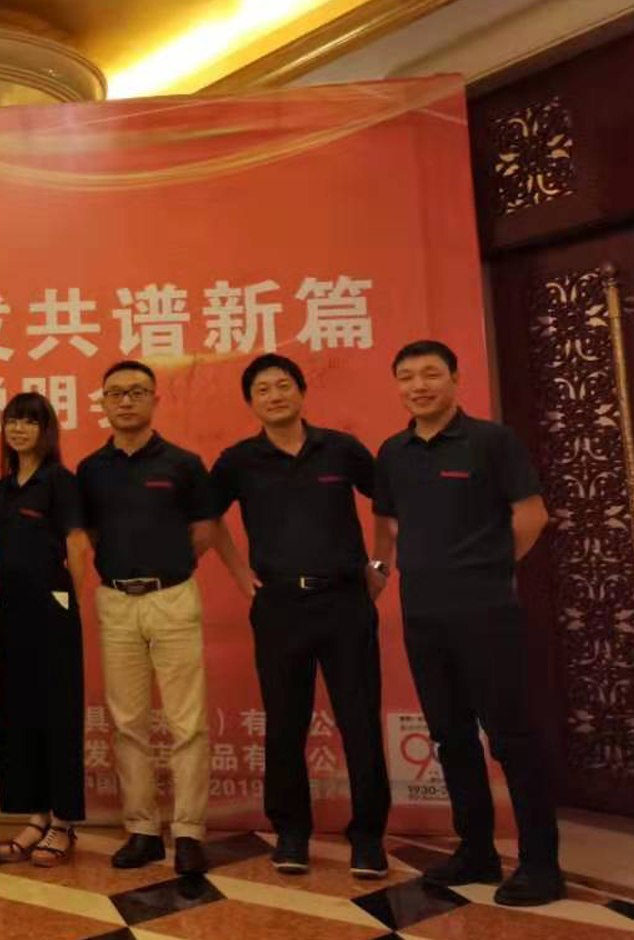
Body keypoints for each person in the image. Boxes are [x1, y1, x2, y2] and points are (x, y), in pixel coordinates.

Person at [373, 339, 561, 906]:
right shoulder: (393, 451)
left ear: (455, 378)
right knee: (450, 735)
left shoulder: (491, 440)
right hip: (422, 613)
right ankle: (476, 850)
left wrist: (489, 569)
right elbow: (389, 526)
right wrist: (383, 574)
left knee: (511, 736)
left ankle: (541, 864)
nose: (419, 385)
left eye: (431, 373)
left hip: (485, 611)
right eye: (407, 376)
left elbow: (532, 516)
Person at [210, 354, 391, 879]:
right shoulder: (238, 460)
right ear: (251, 403)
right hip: (280, 606)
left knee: (360, 720)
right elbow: (207, 517)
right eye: (263, 390)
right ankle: (291, 832)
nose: (275, 396)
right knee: (285, 723)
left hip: (345, 602)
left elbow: (388, 502)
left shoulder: (340, 448)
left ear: (302, 391)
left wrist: (380, 565)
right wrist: (240, 573)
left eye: (283, 385)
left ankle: (368, 837)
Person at [77, 360, 244, 877]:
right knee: (127, 722)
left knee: (186, 722)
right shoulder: (90, 469)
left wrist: (168, 564)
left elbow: (205, 529)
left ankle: (189, 831)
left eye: (136, 392)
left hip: (171, 597)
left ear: (154, 399)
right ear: (103, 402)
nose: (126, 401)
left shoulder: (183, 463)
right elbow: (91, 535)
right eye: (116, 393)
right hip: (116, 601)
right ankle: (143, 830)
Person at [0, 391, 90, 868]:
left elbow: (77, 544)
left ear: (46, 430)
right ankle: (36, 815)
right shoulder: (2, 488)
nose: (19, 429)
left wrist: (70, 602)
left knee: (58, 714)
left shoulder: (60, 482)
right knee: (18, 713)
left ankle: (64, 822)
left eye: (30, 421)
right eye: (13, 420)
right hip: (10, 609)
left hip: (53, 608)